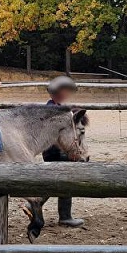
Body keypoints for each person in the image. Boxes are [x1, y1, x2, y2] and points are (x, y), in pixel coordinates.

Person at [43, 75, 84, 227]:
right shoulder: (53, 110)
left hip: (52, 151)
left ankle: (63, 215)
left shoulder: (55, 108)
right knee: (65, 181)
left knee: (57, 182)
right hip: (55, 152)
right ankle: (65, 217)